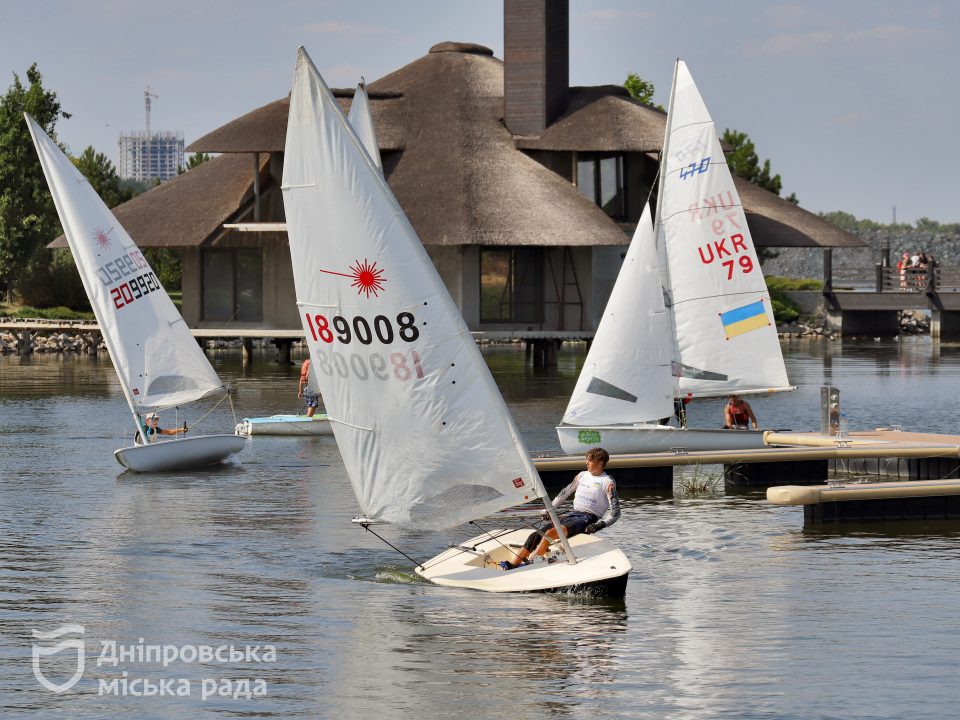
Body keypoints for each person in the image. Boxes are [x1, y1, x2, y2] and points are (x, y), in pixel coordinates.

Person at [499, 447, 620, 570]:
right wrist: (550, 510)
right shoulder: (582, 476)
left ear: (600, 463)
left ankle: (531, 563)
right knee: (535, 535)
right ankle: (513, 565)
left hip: (587, 519)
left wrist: (599, 525)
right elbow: (564, 493)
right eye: (586, 459)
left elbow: (615, 513)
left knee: (550, 533)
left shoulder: (607, 482)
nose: (586, 463)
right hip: (573, 515)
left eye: (590, 460)